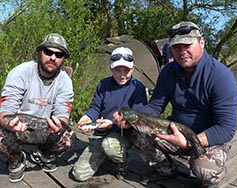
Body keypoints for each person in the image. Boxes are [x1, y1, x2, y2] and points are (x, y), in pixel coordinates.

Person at [113, 21, 237, 188]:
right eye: (176, 47)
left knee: (206, 172)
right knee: (137, 134)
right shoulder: (168, 71)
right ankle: (165, 170)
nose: (182, 51)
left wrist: (189, 143)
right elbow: (155, 107)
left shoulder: (221, 77)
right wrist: (133, 117)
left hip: (208, 139)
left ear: (202, 42)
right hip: (173, 131)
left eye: (187, 45)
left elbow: (226, 128)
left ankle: (207, 177)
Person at [0, 33, 75, 183]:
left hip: (45, 130)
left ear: (63, 59)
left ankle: (43, 154)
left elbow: (63, 114)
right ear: (40, 52)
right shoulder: (20, 72)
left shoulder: (65, 80)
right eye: (48, 52)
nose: (53, 57)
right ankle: (17, 161)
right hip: (19, 128)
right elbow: (5, 111)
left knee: (68, 137)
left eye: (59, 54)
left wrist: (60, 124)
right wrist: (8, 123)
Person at [72, 47, 147, 181]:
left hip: (125, 133)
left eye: (126, 70)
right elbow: (95, 107)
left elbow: (137, 120)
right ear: (111, 69)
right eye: (117, 70)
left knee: (109, 145)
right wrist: (88, 116)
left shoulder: (138, 88)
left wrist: (112, 125)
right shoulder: (103, 84)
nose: (122, 74)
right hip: (101, 131)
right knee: (79, 175)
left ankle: (122, 163)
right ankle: (107, 154)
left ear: (133, 69)